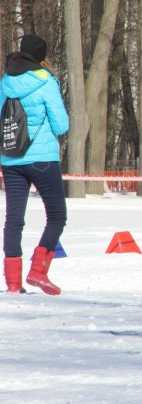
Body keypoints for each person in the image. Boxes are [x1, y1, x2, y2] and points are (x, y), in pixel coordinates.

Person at [1, 34, 69, 295]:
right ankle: (38, 271)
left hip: (10, 157)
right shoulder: (46, 81)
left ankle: (13, 283)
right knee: (56, 215)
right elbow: (61, 125)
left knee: (13, 219)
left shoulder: (5, 81)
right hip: (41, 158)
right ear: (42, 56)